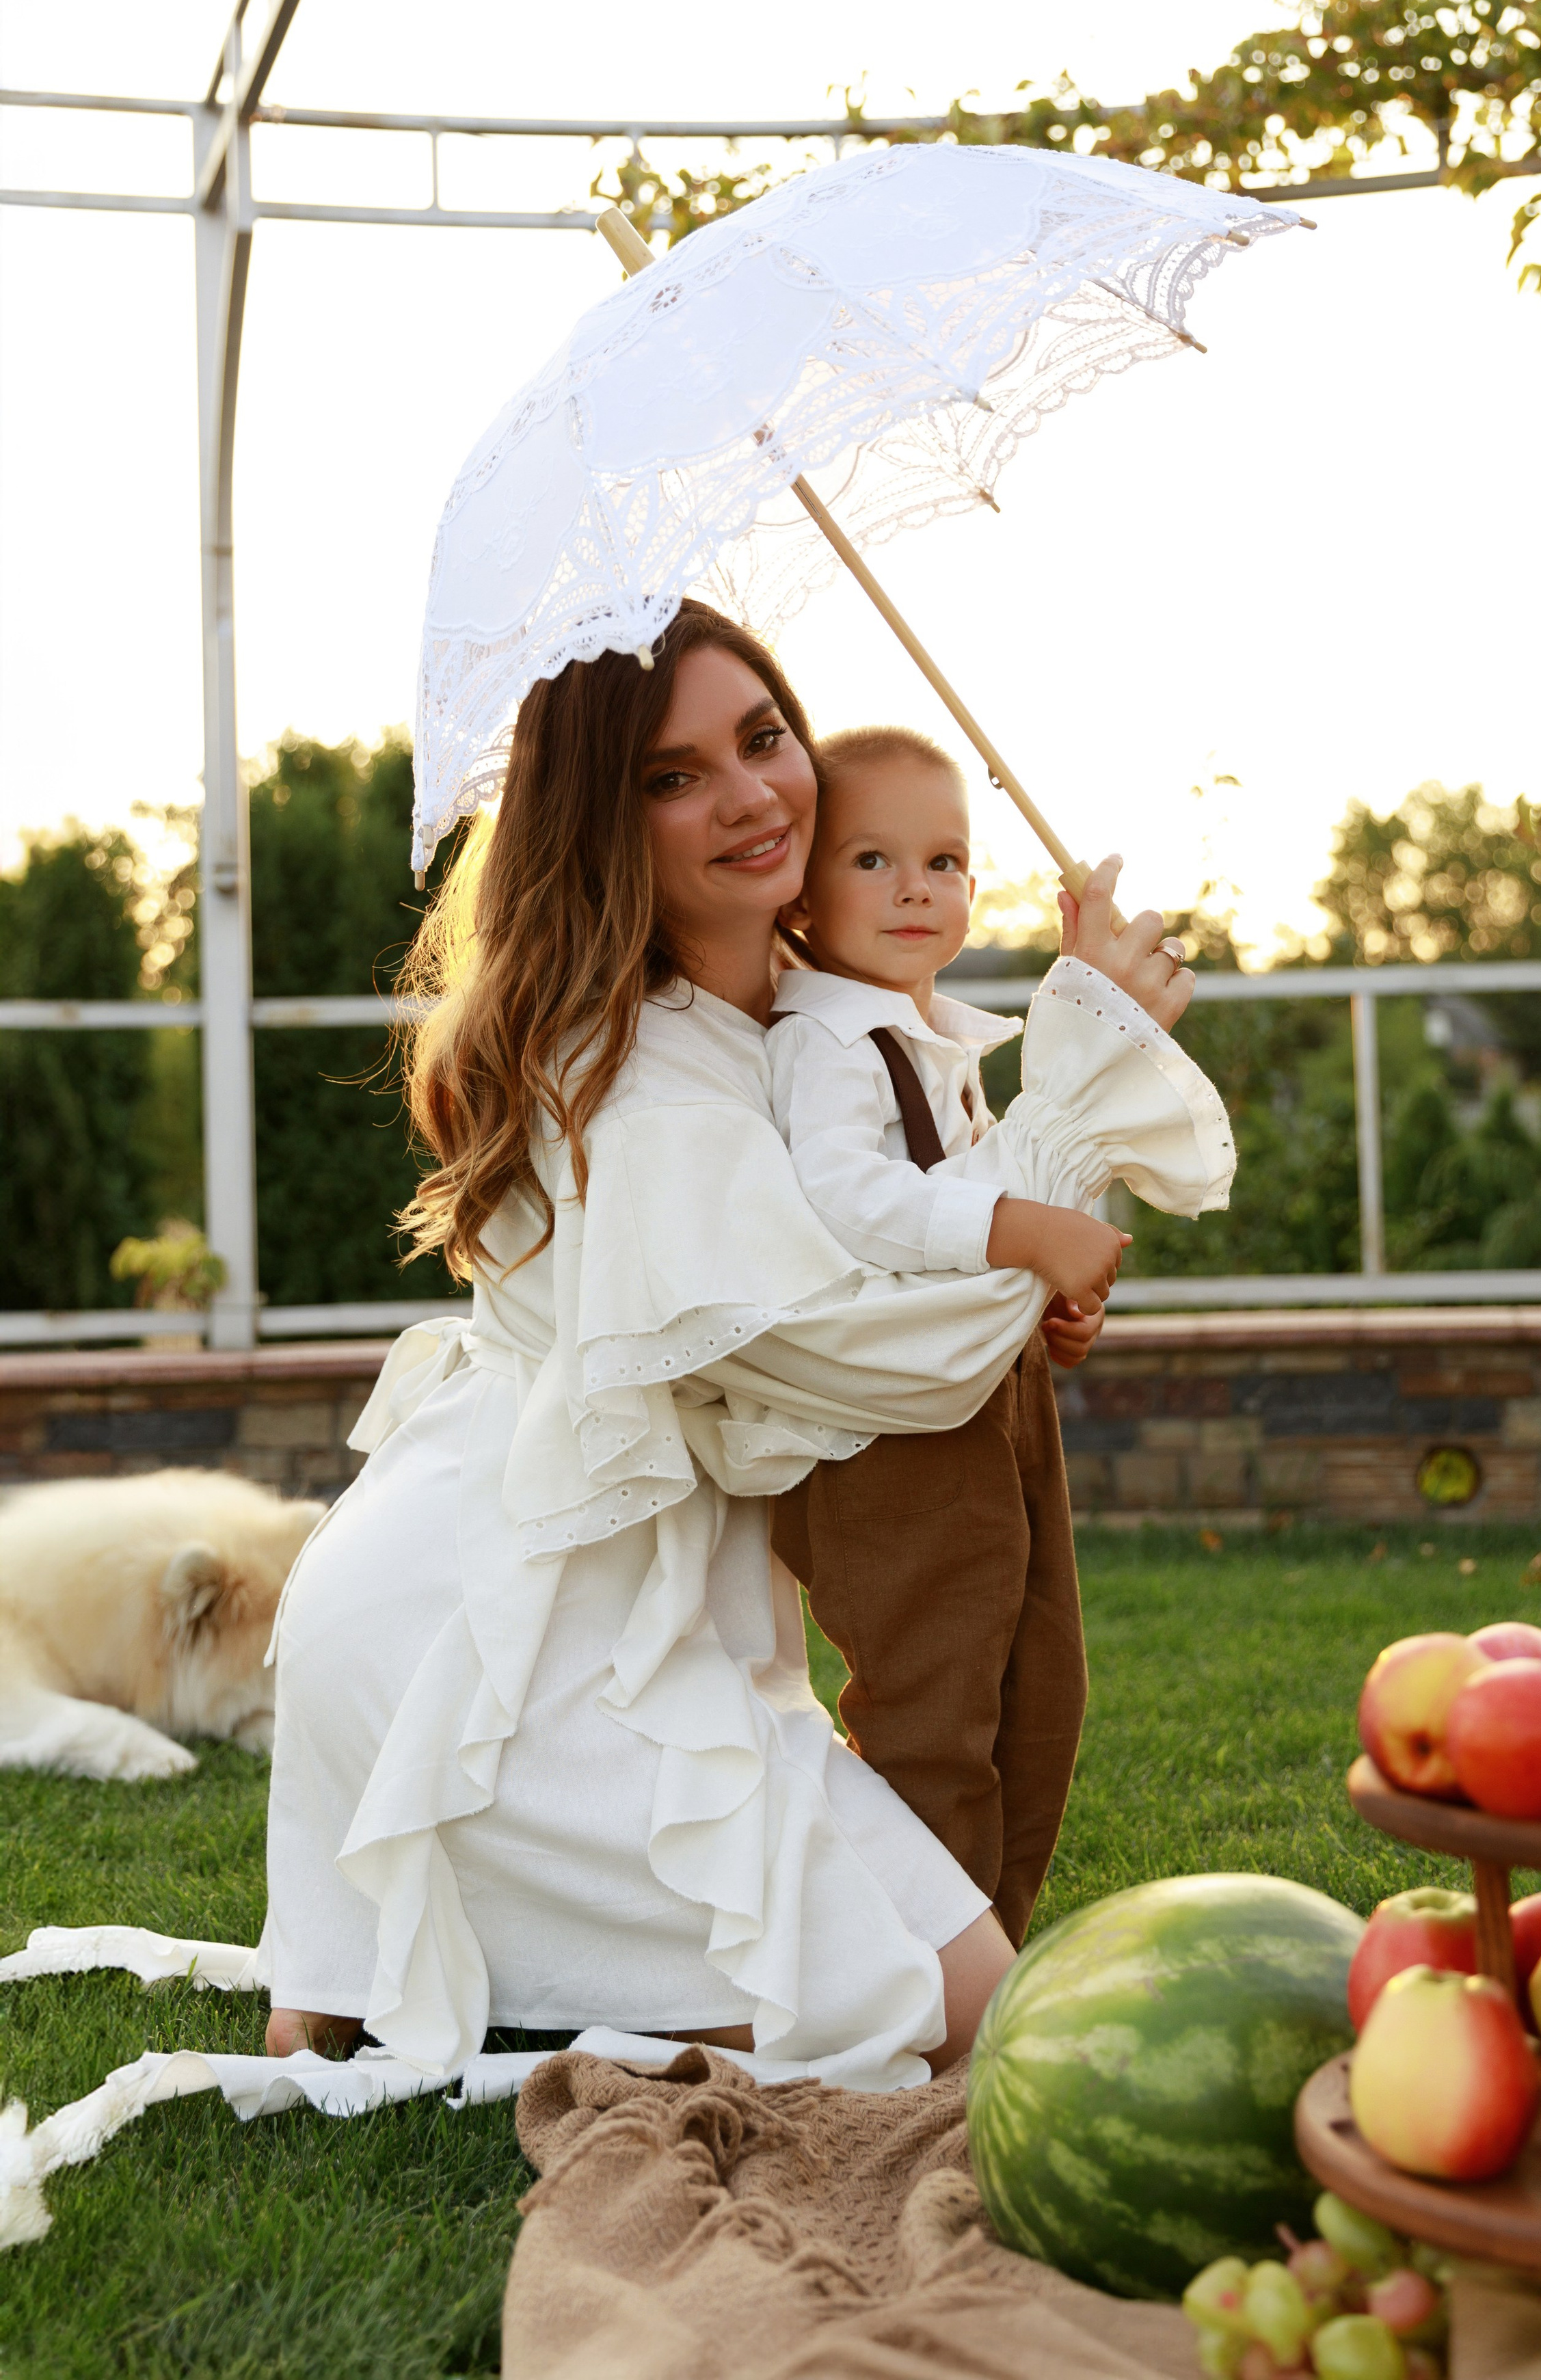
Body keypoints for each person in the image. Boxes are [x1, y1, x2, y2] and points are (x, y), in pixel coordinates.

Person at [261, 599, 1233, 2091]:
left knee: (974, 2003)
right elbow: (874, 1353)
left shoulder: (805, 1013)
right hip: (497, 1634)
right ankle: (430, 1935)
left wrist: (1036, 1254)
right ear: (601, 823)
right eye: (673, 776)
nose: (751, 794)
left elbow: (910, 1218)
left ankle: (427, 1961)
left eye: (763, 737)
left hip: (619, 1599)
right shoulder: (638, 1084)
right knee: (961, 2023)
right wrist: (1084, 1069)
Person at [767, 726, 1207, 1945]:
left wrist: (1054, 1304)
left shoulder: (946, 1040)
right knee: (933, 1709)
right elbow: (852, 1197)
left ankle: (990, 1948)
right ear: (798, 892)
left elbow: (1000, 1189)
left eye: (948, 860)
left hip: (998, 1404)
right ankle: (916, 1972)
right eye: (873, 858)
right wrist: (1017, 1229)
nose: (918, 887)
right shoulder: (824, 1041)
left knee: (1041, 1688)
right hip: (898, 1434)